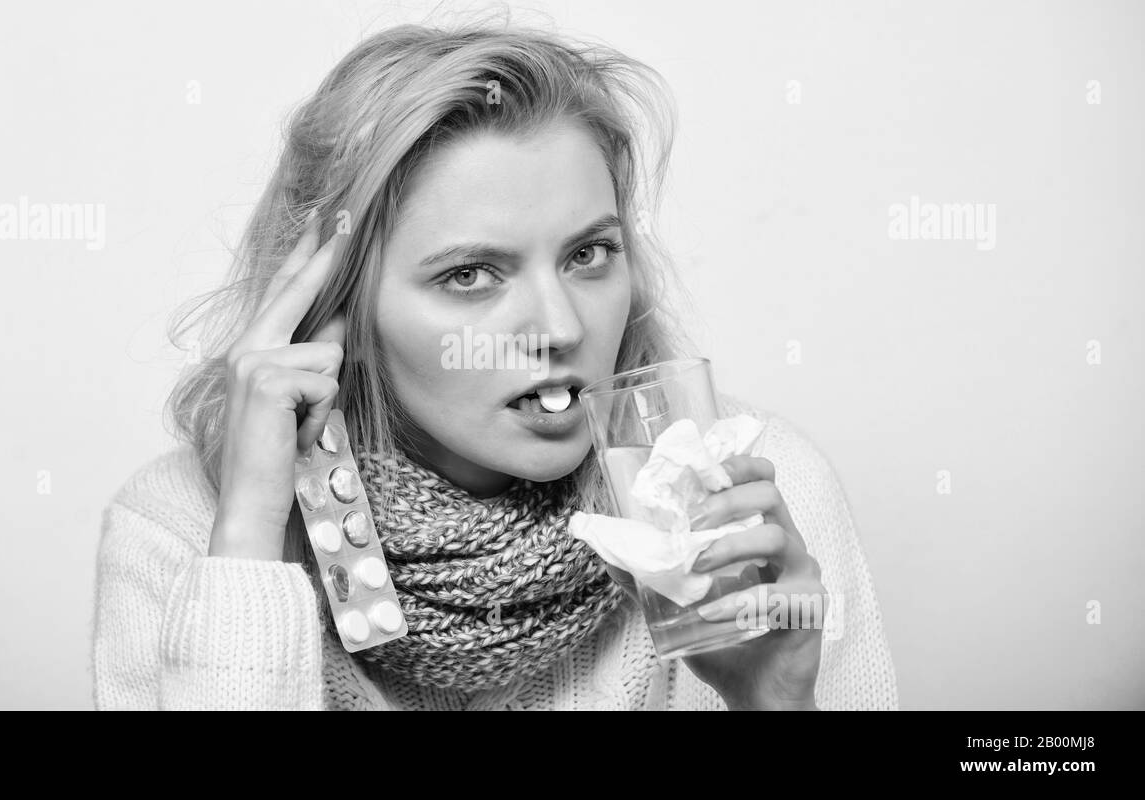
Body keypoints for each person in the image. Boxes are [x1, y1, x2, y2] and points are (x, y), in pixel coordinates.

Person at [91, 17, 899, 710]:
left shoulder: (752, 504)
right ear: (338, 312)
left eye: (589, 254)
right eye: (470, 275)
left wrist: (774, 702)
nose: (557, 327)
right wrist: (247, 542)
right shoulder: (183, 528)